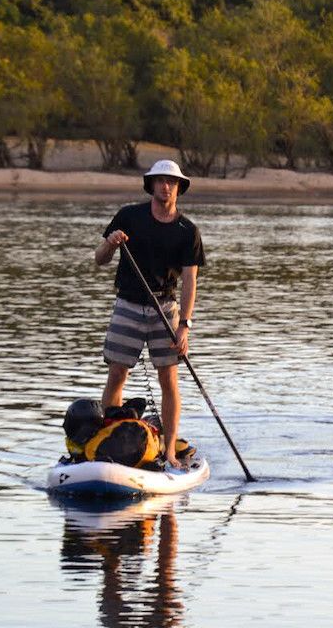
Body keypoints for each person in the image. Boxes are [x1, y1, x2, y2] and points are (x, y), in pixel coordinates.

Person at [94, 159, 205, 469]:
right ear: (151, 185)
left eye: (171, 181)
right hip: (128, 303)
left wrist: (185, 325)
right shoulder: (129, 216)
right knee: (117, 372)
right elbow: (99, 259)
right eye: (159, 180)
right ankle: (109, 442)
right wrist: (112, 244)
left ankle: (169, 450)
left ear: (179, 187)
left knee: (168, 379)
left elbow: (189, 280)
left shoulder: (187, 231)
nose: (165, 185)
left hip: (165, 307)